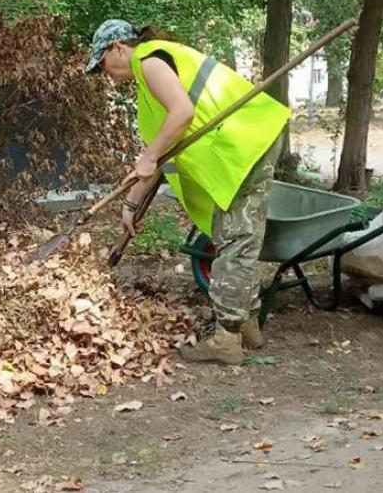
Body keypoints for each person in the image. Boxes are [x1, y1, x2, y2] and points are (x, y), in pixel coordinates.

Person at [86, 19, 290, 365]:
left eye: (102, 63)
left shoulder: (150, 60)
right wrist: (130, 204)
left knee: (236, 241)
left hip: (244, 143)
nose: (105, 73)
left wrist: (149, 156)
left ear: (118, 47)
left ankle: (227, 338)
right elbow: (158, 155)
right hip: (239, 149)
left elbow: (182, 113)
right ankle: (248, 326)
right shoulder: (147, 87)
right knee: (238, 237)